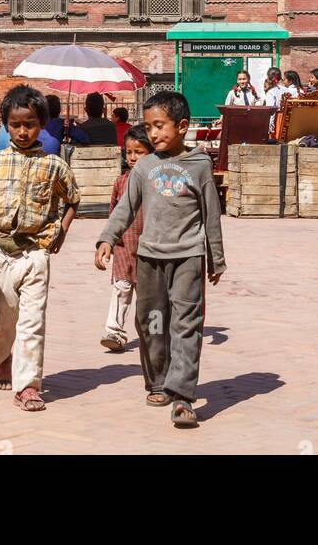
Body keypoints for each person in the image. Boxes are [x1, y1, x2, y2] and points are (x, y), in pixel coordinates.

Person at [95, 89, 226, 429]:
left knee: (186, 325)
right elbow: (125, 207)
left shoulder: (199, 165)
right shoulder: (145, 167)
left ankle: (182, 396)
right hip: (148, 258)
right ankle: (157, 381)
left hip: (188, 258)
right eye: (149, 127)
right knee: (151, 322)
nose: (153, 134)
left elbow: (211, 214)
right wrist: (108, 238)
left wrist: (217, 258)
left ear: (182, 126)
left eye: (160, 126)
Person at [0, 84, 80, 411]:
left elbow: (73, 200)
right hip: (1, 252)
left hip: (37, 252)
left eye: (29, 123)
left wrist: (62, 230)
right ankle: (4, 356)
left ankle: (28, 385)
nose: (23, 130)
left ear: (41, 124)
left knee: (32, 320)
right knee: (5, 314)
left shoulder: (54, 165)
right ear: (5, 124)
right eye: (16, 124)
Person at [100, 124, 153, 353]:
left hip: (148, 248)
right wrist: (108, 242)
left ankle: (153, 333)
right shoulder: (121, 182)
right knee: (121, 288)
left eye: (138, 152)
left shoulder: (155, 181)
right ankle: (114, 331)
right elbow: (114, 214)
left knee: (149, 295)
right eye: (129, 152)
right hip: (123, 246)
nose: (132, 157)